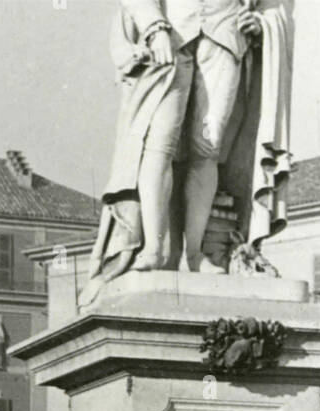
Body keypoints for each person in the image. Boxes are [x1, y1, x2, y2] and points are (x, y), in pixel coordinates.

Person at [82, 0, 293, 299]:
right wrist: (154, 26)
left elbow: (276, 5)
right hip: (170, 38)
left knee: (207, 150)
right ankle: (154, 249)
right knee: (158, 145)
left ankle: (196, 255)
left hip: (225, 39)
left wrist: (263, 23)